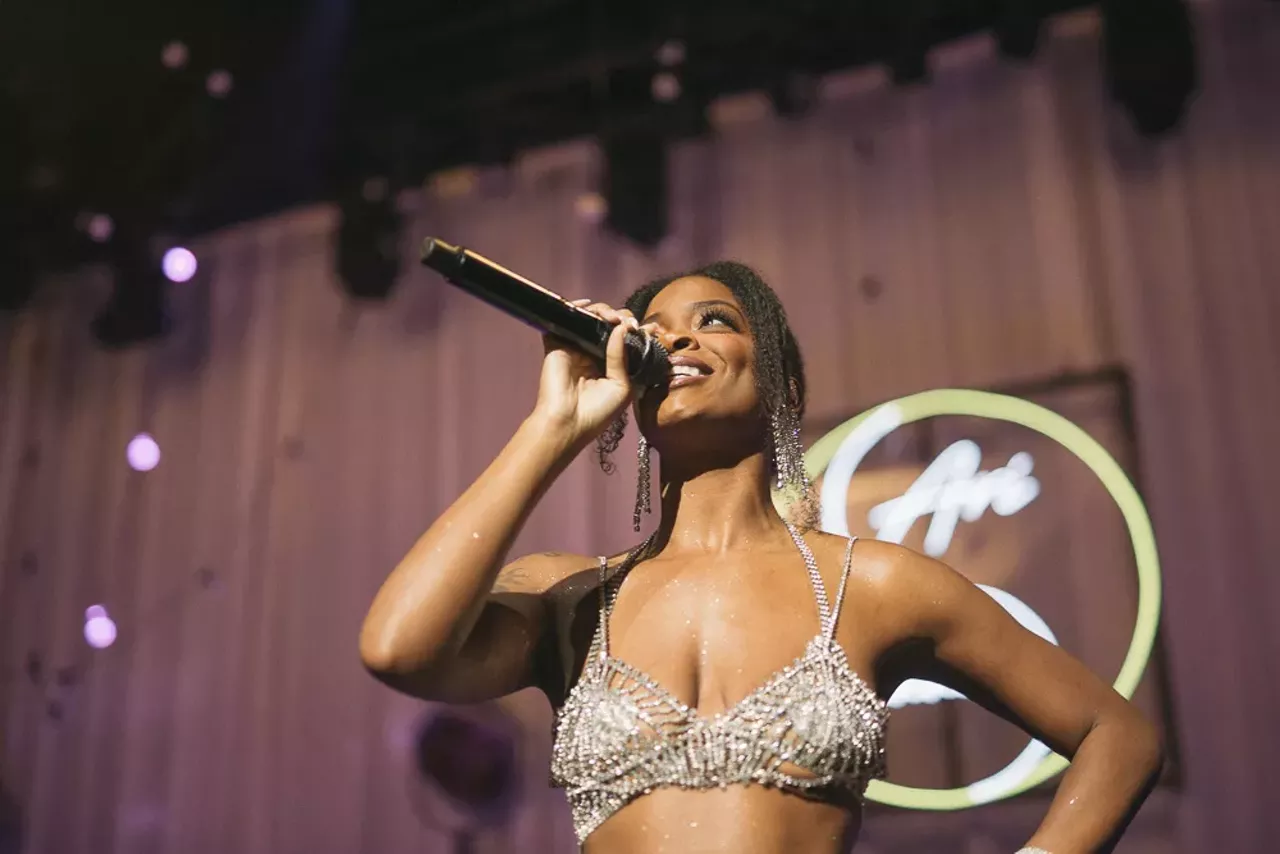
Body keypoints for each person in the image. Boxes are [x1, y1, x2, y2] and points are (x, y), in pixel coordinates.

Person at [359, 263, 1164, 853]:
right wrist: (553, 429)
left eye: (714, 320)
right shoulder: (571, 599)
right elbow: (399, 648)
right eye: (656, 326)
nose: (675, 335)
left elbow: (1116, 736)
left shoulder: (874, 585)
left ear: (781, 385)